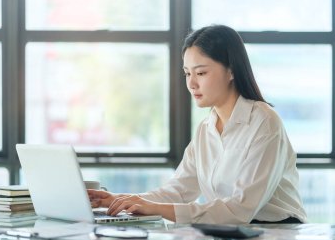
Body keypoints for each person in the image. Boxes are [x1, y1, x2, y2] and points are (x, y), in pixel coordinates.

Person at [88, 25, 307, 224]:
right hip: (231, 234)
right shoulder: (206, 128)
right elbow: (178, 191)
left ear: (231, 70)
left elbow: (239, 209)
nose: (192, 84)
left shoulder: (264, 121)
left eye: (201, 73)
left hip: (276, 234)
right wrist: (118, 200)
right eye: (187, 73)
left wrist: (154, 208)